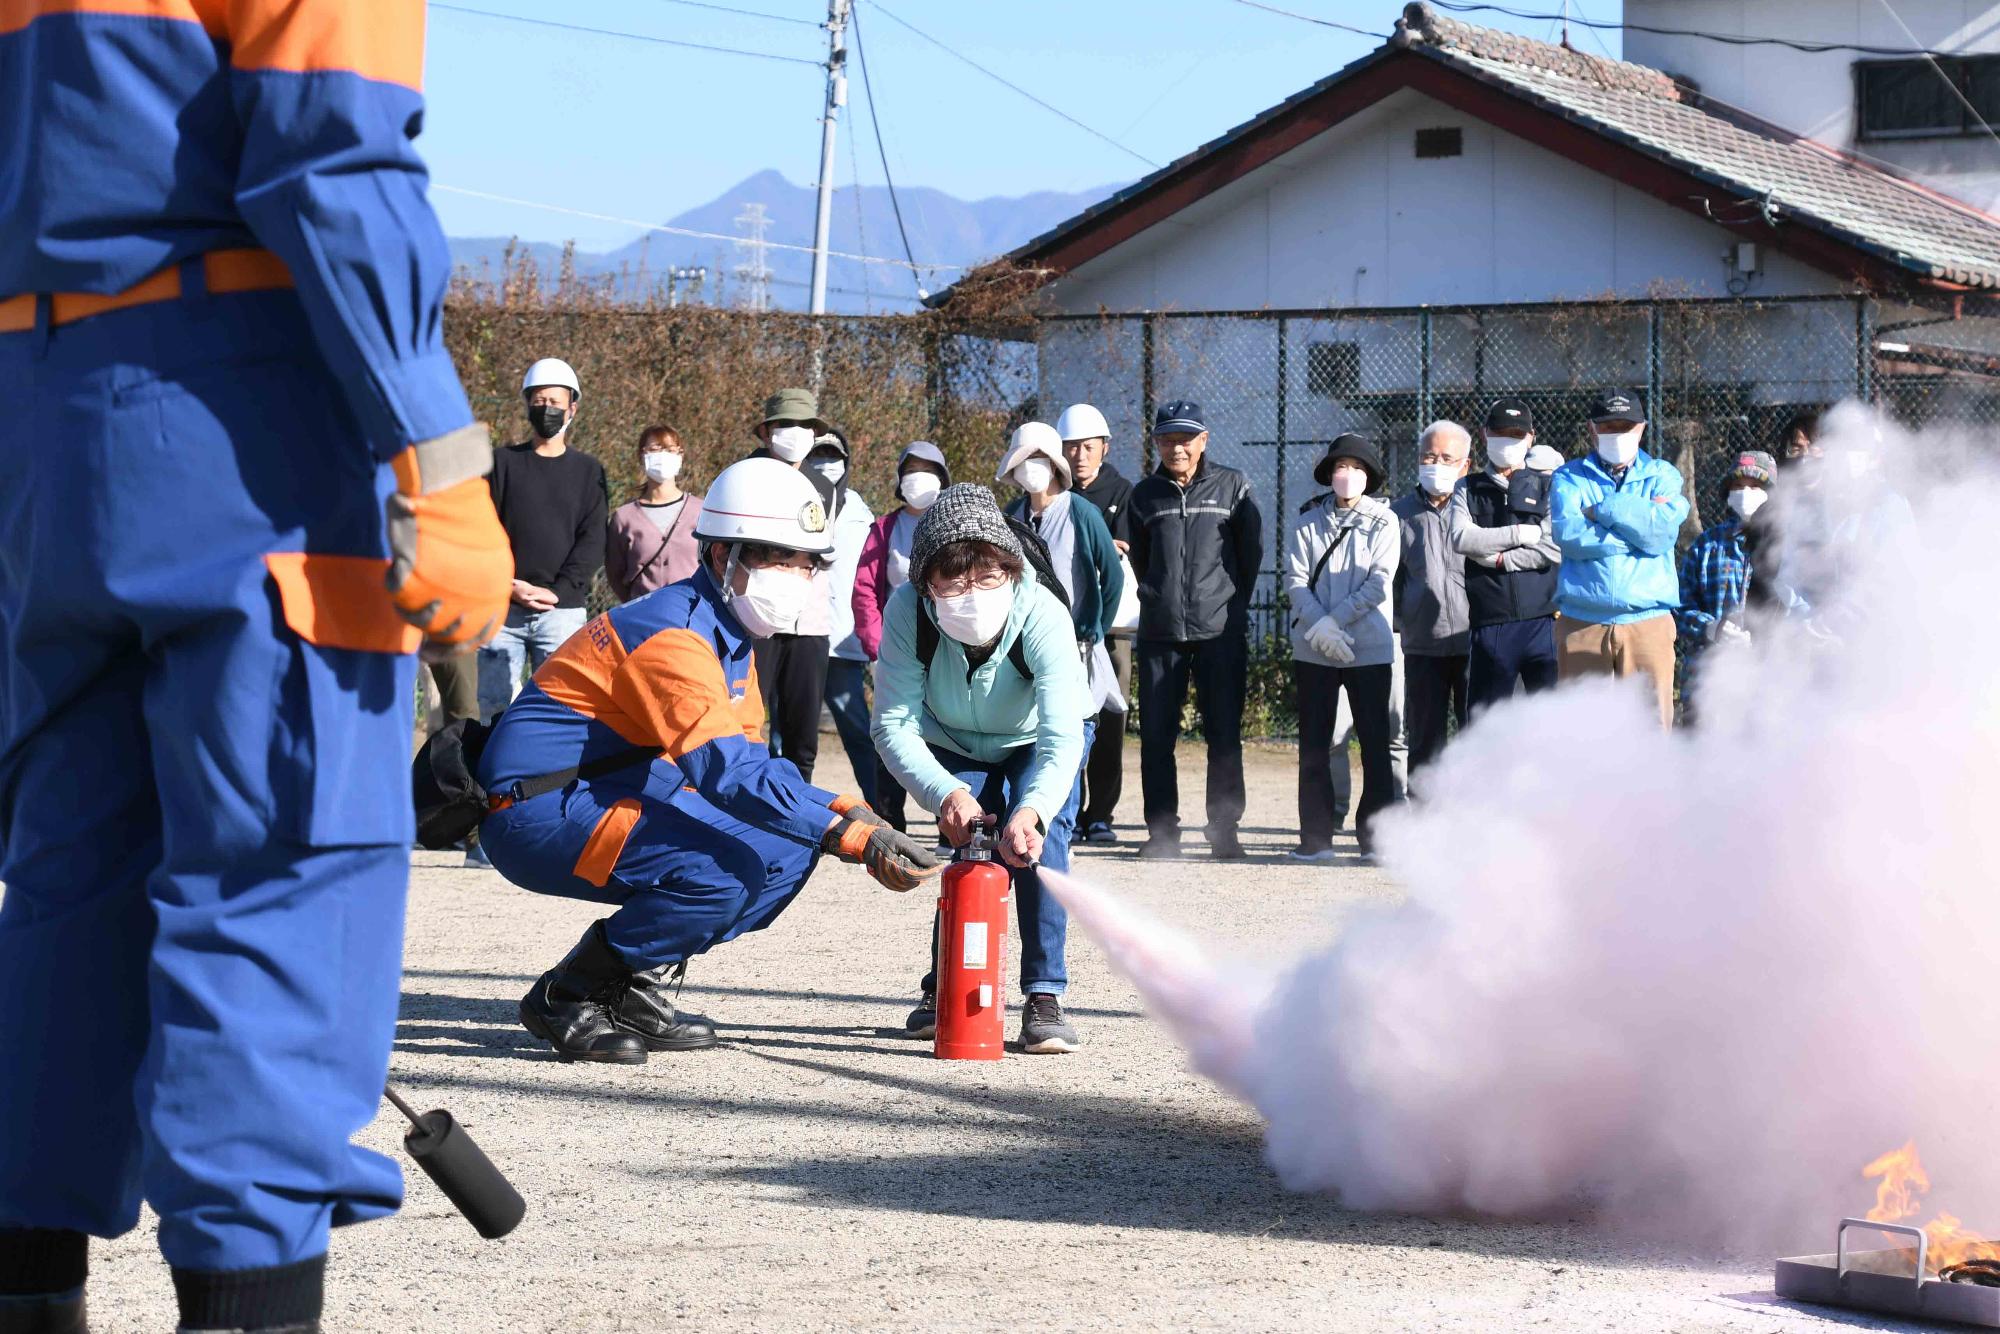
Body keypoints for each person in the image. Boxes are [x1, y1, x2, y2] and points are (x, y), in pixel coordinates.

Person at [0, 4, 514, 1329]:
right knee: (280, 876)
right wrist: (436, 454)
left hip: (37, 416)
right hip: (246, 417)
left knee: (67, 893)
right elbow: (333, 153)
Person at [477, 458, 938, 1064]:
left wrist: (852, 813)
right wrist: (848, 836)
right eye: (780, 558)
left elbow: (756, 765)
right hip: (536, 808)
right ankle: (567, 995)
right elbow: (728, 777)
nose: (798, 577)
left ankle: (629, 984)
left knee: (785, 850)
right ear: (723, 557)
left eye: (808, 564)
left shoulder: (728, 637)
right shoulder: (673, 635)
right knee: (721, 875)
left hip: (609, 788)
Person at [872, 486, 1093, 1053]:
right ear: (926, 582)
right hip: (949, 740)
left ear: (1009, 569)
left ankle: (1044, 994)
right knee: (969, 848)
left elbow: (1062, 734)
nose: (972, 593)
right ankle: (945, 985)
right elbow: (892, 724)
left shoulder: (1042, 610)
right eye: (953, 581)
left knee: (1040, 844)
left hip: (1033, 740)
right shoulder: (905, 613)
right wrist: (945, 791)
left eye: (988, 577)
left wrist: (1033, 809)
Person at [1129, 401, 1265, 861]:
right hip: (1160, 632)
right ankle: (1162, 833)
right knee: (1156, 737)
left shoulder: (1234, 486)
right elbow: (1139, 559)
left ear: (1203, 440)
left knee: (1223, 734)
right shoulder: (1144, 495)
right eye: (1167, 439)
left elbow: (1250, 554)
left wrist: (1229, 603)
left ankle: (1224, 828)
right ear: (1157, 444)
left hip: (1218, 632)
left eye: (1185, 439)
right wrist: (1158, 596)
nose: (1176, 448)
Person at [1286, 436, 1400, 861]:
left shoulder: (1384, 522)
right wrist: (1320, 625)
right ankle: (1314, 839)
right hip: (1314, 647)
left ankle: (1376, 839)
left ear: (1368, 476)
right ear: (1329, 473)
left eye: (1356, 467)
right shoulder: (1306, 521)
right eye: (1340, 466)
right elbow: (1295, 580)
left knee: (1375, 741)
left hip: (1366, 645)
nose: (1346, 474)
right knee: (1314, 743)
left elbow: (1379, 580)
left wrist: (1337, 620)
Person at [477, 357, 609, 720]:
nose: (546, 409)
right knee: (493, 710)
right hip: (502, 610)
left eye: (554, 402)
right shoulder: (501, 463)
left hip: (561, 613)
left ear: (572, 408)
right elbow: (482, 530)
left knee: (560, 711)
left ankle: (548, 779)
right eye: (539, 401)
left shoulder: (588, 471)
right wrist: (506, 585)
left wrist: (559, 590)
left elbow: (593, 538)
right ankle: (488, 778)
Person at [1550, 389, 1689, 729]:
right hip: (1581, 622)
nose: (1617, 434)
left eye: (1625, 426)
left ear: (1641, 428)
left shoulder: (1663, 474)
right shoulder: (1567, 476)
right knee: (1582, 735)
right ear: (1592, 429)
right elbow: (1569, 535)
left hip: (1649, 621)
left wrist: (1602, 510)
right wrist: (1637, 530)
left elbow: (1661, 535)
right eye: (1608, 426)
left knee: (1652, 730)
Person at [999, 422, 1126, 743]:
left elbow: (1113, 576)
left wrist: (1094, 628)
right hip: (1021, 648)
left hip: (1075, 647)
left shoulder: (1082, 512)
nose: (1031, 466)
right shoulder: (1011, 515)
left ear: (1055, 463)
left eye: (1039, 457)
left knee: (1074, 735)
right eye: (1024, 458)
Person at [853, 441, 951, 829]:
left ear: (942, 477)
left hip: (948, 647)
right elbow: (863, 590)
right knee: (892, 728)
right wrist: (876, 647)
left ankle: (951, 819)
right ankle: (890, 818)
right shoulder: (883, 529)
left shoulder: (954, 522)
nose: (918, 477)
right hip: (895, 647)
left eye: (928, 469)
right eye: (911, 469)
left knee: (947, 732)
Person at [744, 388, 840, 781]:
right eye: (786, 424)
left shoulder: (826, 486)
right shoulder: (744, 476)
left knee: (803, 736)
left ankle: (799, 819)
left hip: (808, 623)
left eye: (805, 426)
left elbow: (825, 551)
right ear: (766, 431)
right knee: (745, 723)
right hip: (755, 621)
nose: (796, 433)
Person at [1057, 403, 1138, 844]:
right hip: (1061, 626)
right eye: (1071, 447)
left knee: (1109, 716)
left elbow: (1123, 554)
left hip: (1111, 628)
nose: (1079, 455)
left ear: (1104, 448)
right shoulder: (1054, 492)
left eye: (1088, 447)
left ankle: (1101, 812)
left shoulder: (1123, 493)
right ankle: (1069, 805)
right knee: (1063, 719)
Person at [1450, 398, 1562, 712]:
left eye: (1516, 434)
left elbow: (1554, 547)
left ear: (1531, 438)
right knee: (1487, 727)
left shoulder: (1549, 485)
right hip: (1490, 624)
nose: (1508, 441)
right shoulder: (1466, 488)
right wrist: (1521, 535)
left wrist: (1501, 559)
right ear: (1484, 434)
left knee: (1552, 723)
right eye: (1500, 432)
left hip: (1544, 622)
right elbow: (1461, 538)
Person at [1390, 421, 1473, 782]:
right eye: (1429, 456)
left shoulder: (1478, 507)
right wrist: (1400, 622)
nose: (1436, 464)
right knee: (1425, 739)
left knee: (1479, 736)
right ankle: (1425, 822)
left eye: (1446, 457)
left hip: (1476, 641)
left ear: (1465, 465)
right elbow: (1389, 578)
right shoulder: (1397, 514)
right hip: (1423, 644)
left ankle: (1481, 819)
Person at [1676, 451, 1775, 718]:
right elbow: (1680, 608)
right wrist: (1711, 628)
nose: (1746, 493)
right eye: (1739, 486)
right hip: (1708, 683)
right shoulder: (1706, 546)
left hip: (1768, 685)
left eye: (1755, 487)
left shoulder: (1787, 547)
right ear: (1727, 492)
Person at [818, 430, 880, 807]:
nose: (825, 462)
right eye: (817, 455)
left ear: (846, 461)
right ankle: (784, 816)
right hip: (794, 638)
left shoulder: (862, 514)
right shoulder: (793, 499)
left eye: (832, 454)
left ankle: (882, 809)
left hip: (843, 639)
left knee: (857, 728)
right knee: (785, 735)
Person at [606, 424, 704, 603]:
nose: (663, 455)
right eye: (654, 449)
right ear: (642, 456)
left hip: (691, 615)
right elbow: (615, 575)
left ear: (680, 455)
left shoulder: (701, 511)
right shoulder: (624, 517)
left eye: (670, 449)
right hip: (642, 617)